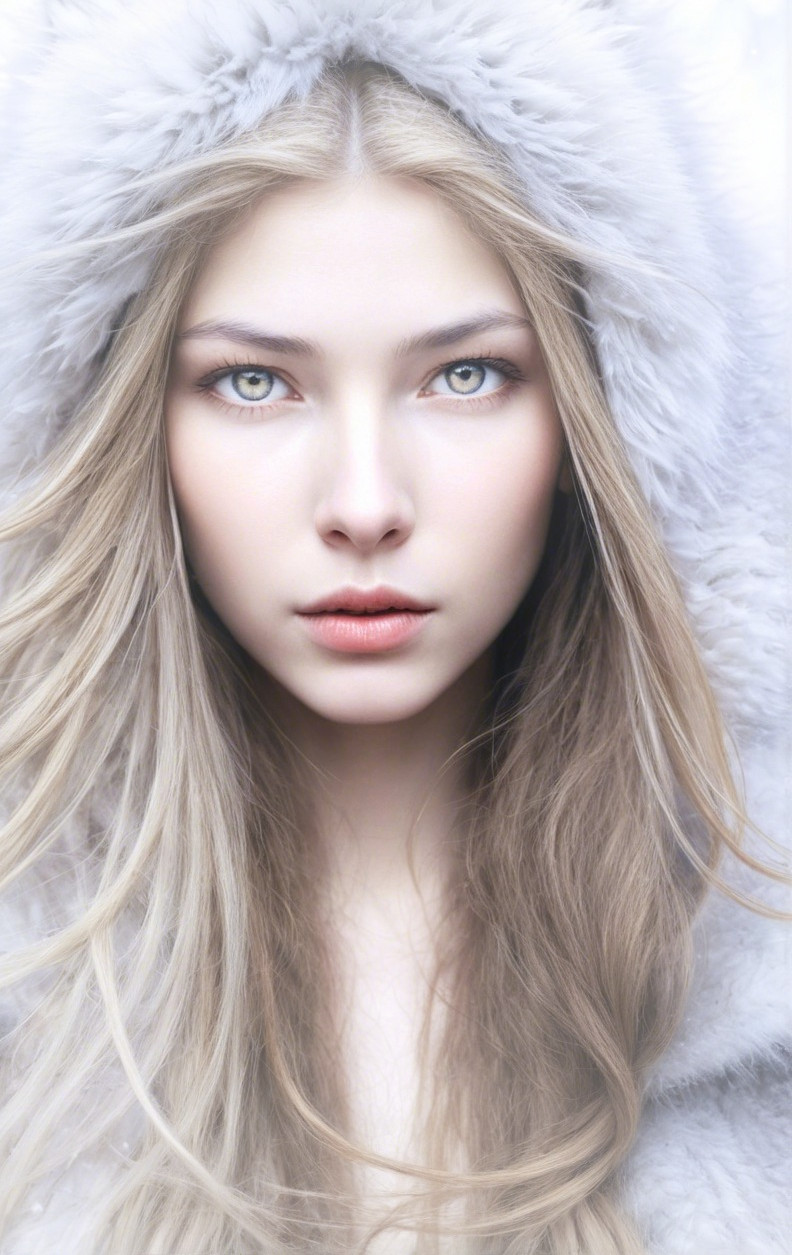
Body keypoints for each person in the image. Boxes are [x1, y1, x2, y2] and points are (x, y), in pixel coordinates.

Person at [0, 3, 789, 1253]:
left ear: (602, 423)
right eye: (253, 382)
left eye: (465, 375)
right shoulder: (29, 1017)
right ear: (130, 430)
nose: (365, 503)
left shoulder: (757, 1011)